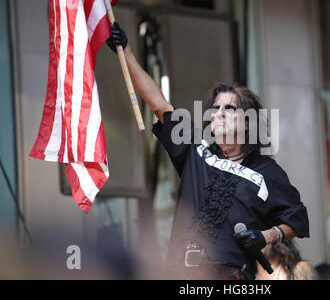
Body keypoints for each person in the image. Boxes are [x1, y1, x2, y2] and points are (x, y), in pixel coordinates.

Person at [106, 22, 310, 280]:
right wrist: (126, 52)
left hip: (233, 275)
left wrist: (265, 236)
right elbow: (159, 105)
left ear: (247, 122)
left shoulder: (266, 172)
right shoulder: (196, 149)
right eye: (216, 109)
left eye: (230, 109)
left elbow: (297, 217)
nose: (220, 113)